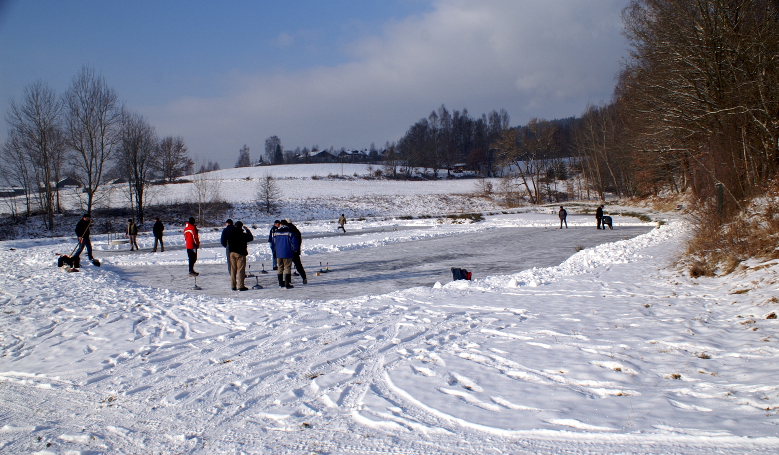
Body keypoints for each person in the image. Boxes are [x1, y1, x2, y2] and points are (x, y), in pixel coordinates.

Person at [271, 219, 299, 289]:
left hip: (278, 254)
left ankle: (280, 283)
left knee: (280, 268)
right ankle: (287, 283)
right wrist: (295, 250)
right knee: (287, 268)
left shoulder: (276, 233)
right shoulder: (289, 233)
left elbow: (273, 244)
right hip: (287, 253)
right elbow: (294, 243)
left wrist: (274, 252)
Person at [227, 220, 253, 291]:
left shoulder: (231, 234)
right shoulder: (242, 235)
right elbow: (250, 238)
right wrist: (247, 230)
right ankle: (240, 286)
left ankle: (233, 285)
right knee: (240, 270)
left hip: (232, 253)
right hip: (240, 254)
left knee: (233, 270)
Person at [285, 218, 307, 284]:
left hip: (289, 251)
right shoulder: (295, 229)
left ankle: (288, 281)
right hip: (296, 251)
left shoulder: (288, 230)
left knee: (287, 266)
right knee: (298, 265)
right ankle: (304, 277)